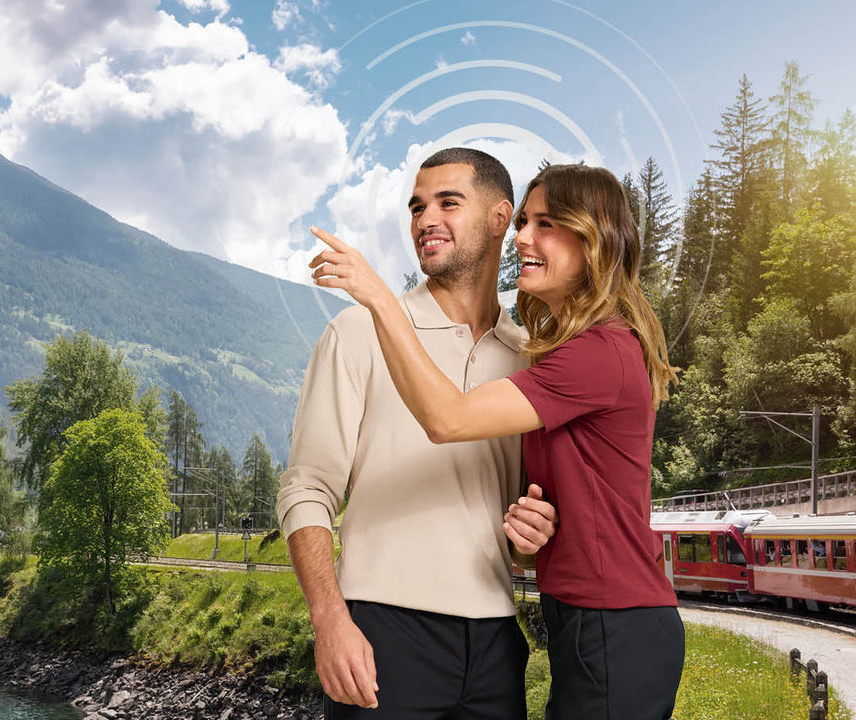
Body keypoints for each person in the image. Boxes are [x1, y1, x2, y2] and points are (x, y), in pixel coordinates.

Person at [309, 162, 684, 720]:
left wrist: (380, 300)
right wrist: (530, 531)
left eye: (548, 224)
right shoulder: (556, 355)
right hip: (582, 621)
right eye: (526, 223)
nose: (525, 239)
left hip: (610, 623)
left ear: (595, 241)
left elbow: (447, 419)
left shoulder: (592, 353)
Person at [276, 148, 559, 719]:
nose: (426, 220)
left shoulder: (532, 356)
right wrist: (331, 621)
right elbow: (305, 488)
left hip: (498, 642)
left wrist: (532, 537)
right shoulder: (357, 332)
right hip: (382, 633)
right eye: (416, 207)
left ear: (501, 217)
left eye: (448, 203)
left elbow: (520, 527)